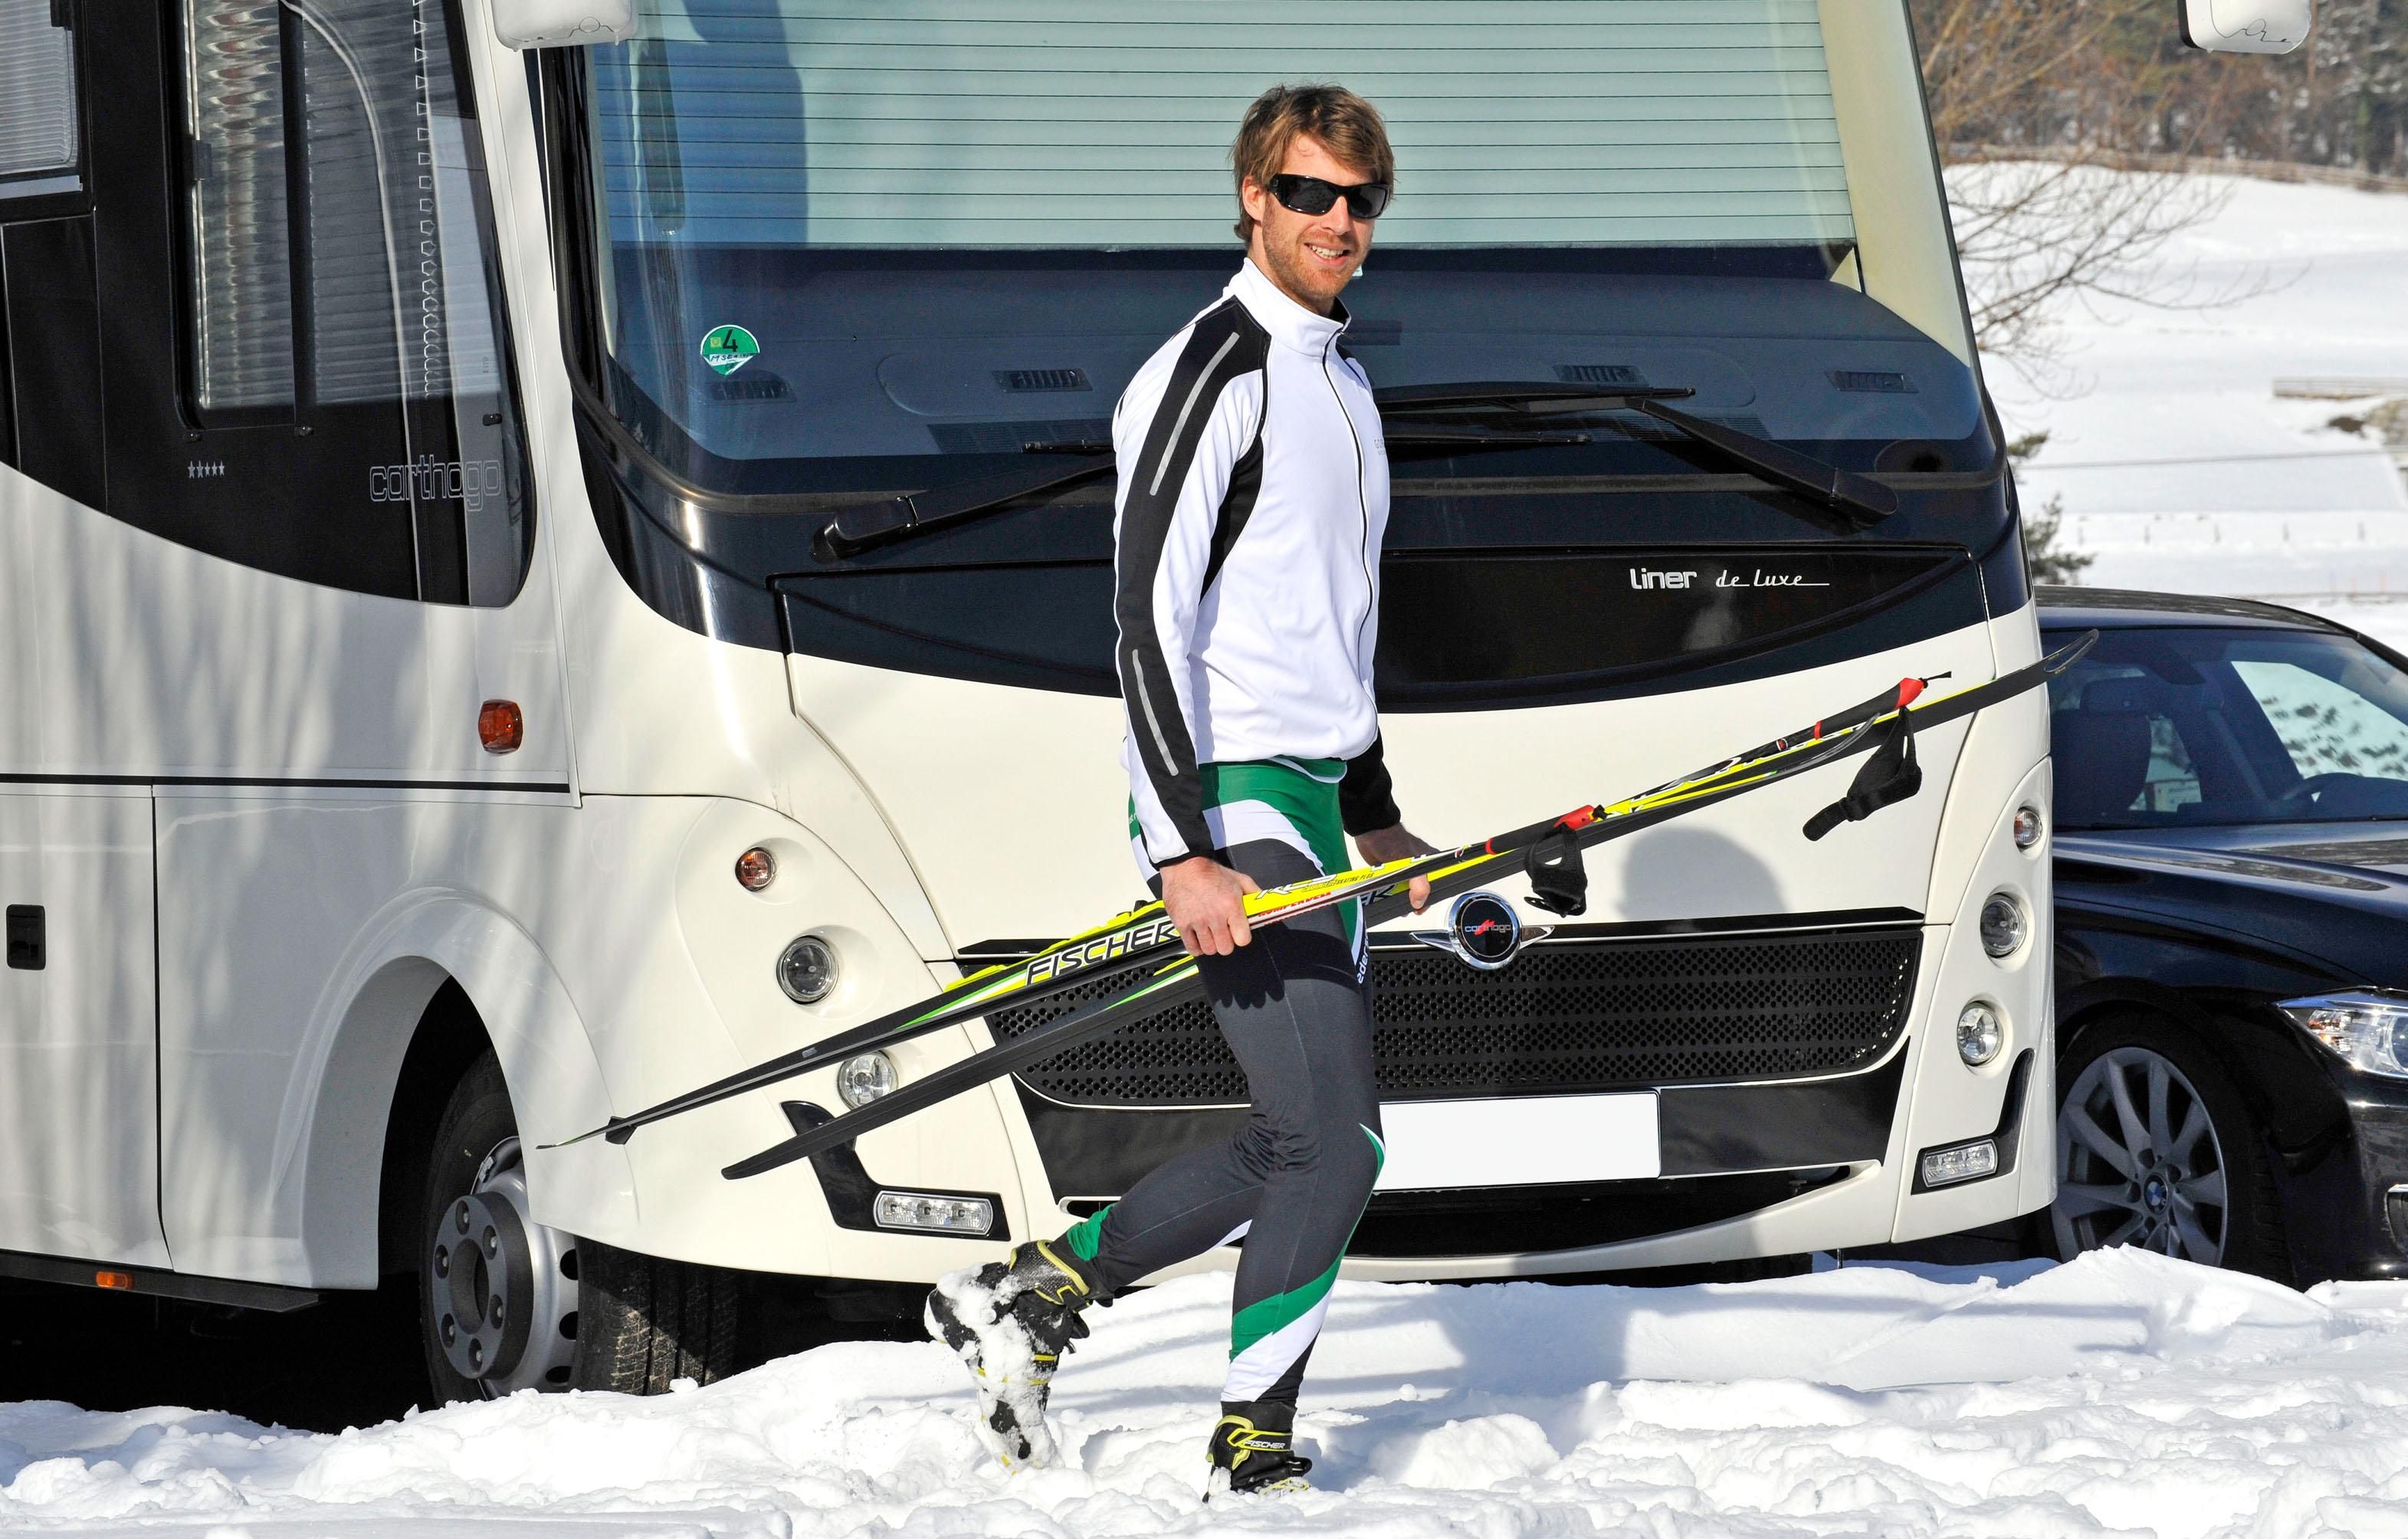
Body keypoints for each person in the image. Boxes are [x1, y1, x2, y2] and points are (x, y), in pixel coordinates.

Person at [927, 83, 1434, 1496]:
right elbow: (1146, 620)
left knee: (1295, 1134)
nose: (1339, 223)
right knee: (1337, 1147)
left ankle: (1033, 1292)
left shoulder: (1339, 379)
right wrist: (1179, 850)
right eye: (1310, 195)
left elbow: (1338, 615)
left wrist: (1378, 803)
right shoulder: (1207, 370)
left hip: (1316, 789)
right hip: (1229, 795)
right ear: (1251, 199)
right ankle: (1252, 1450)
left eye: (1361, 201)